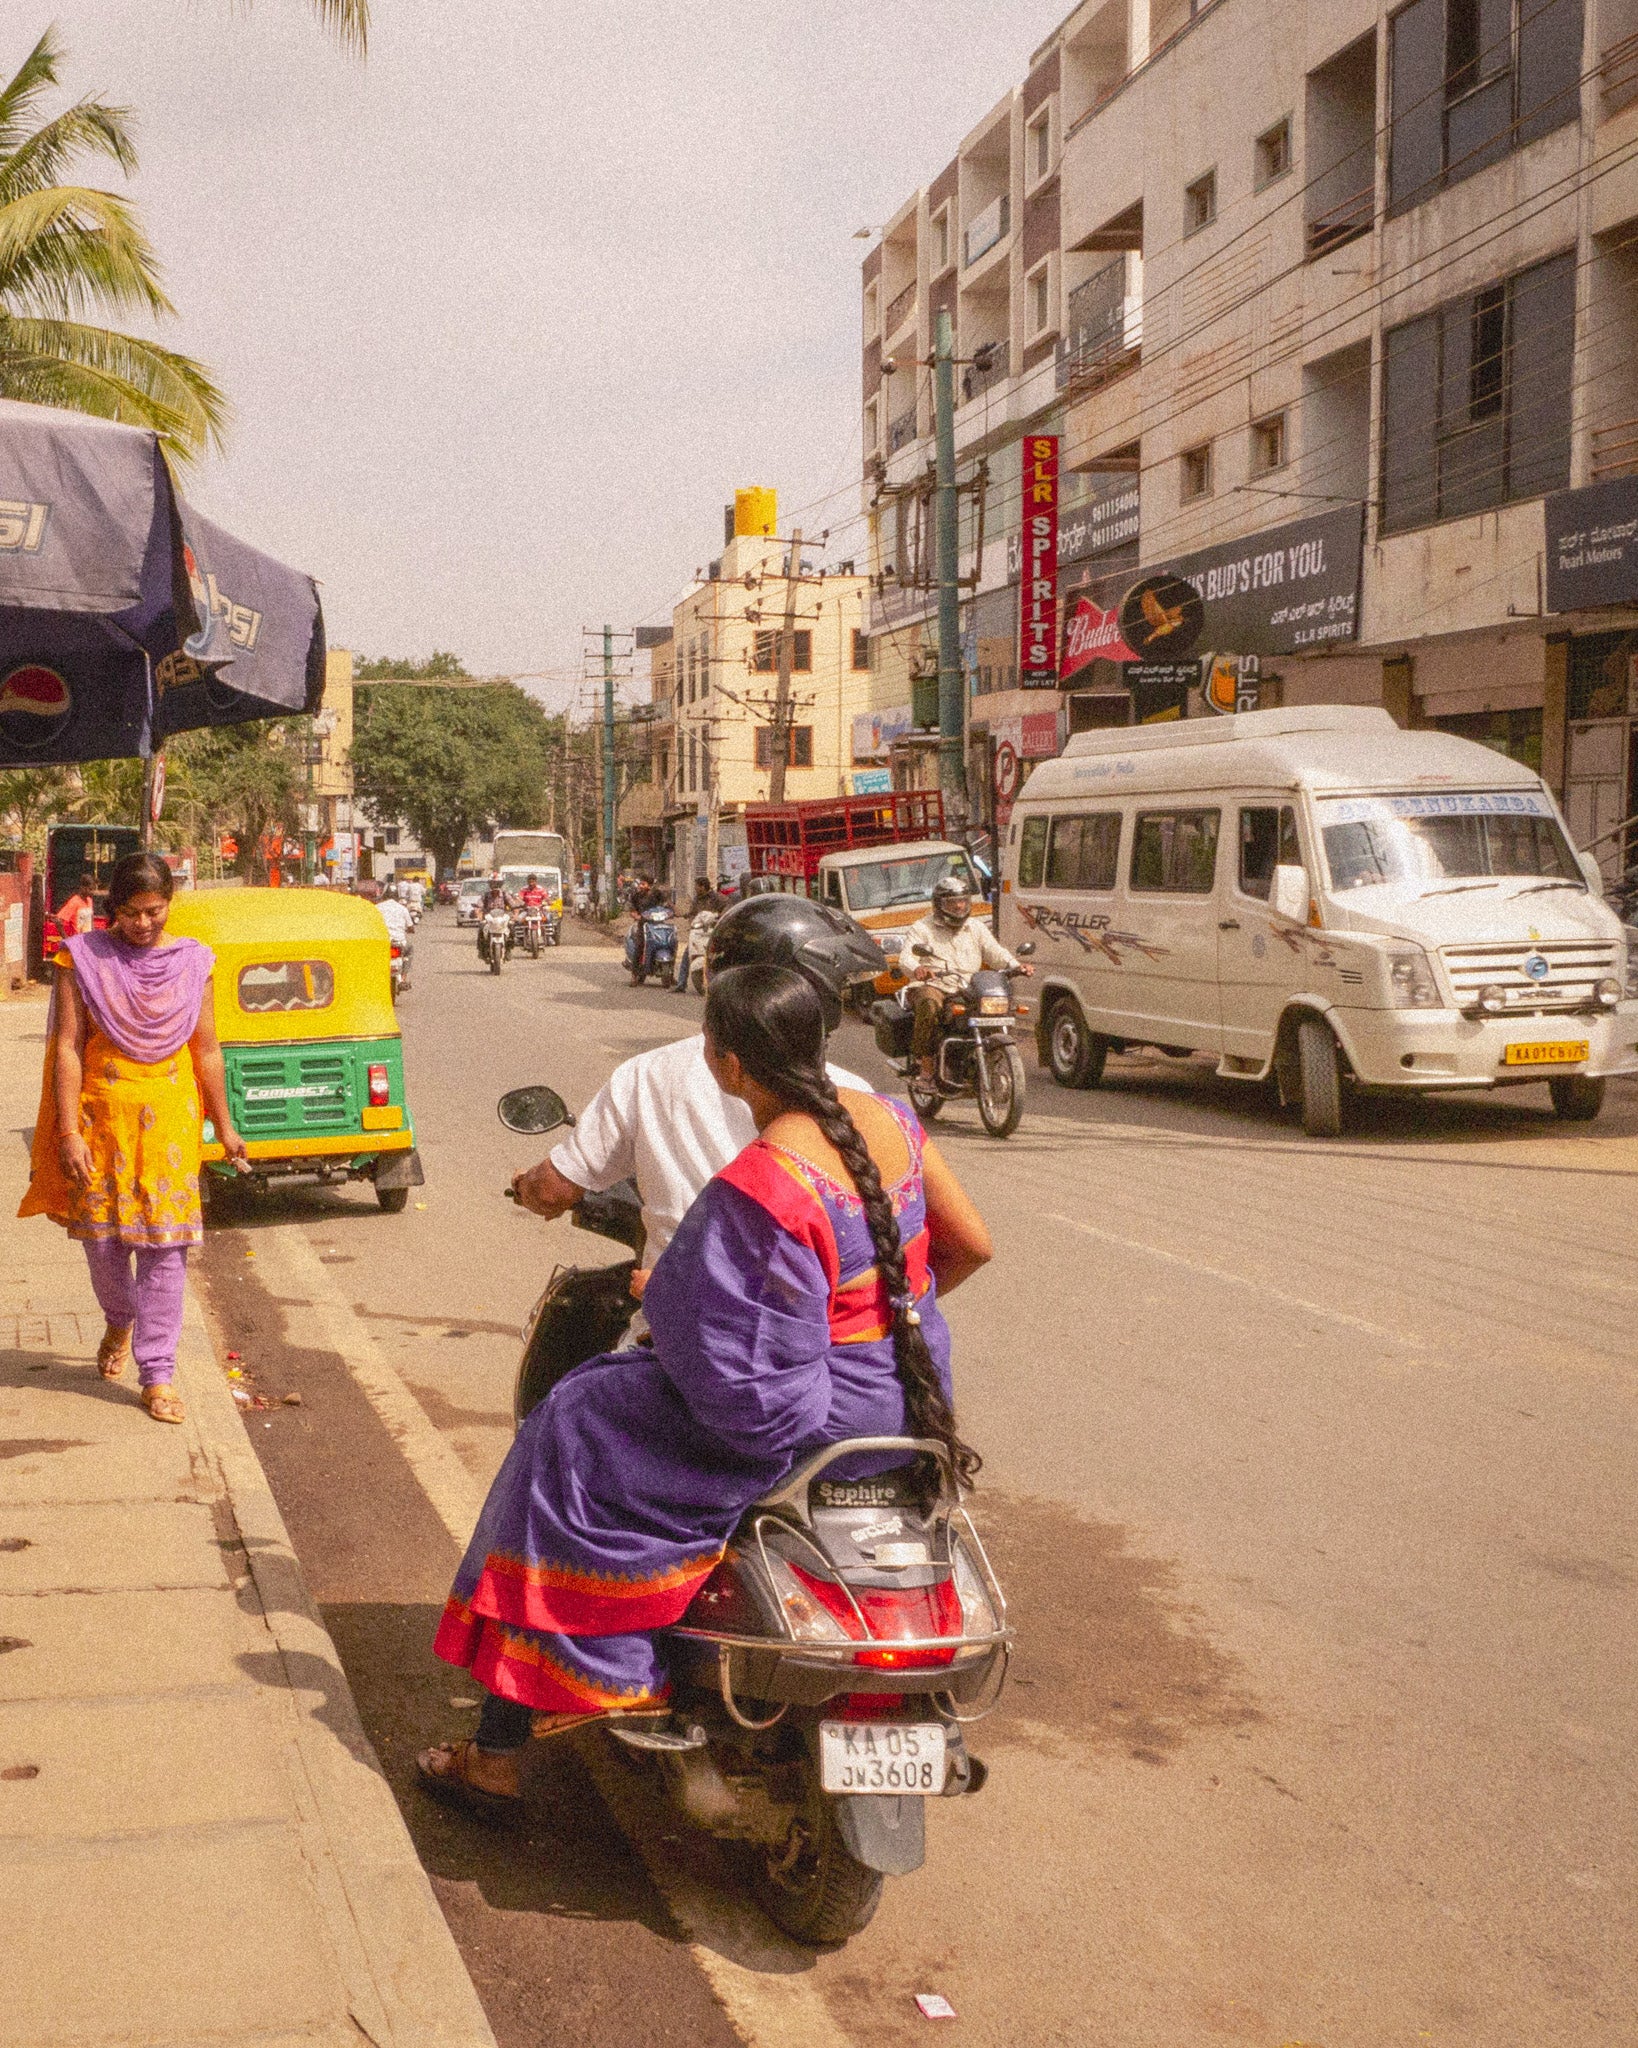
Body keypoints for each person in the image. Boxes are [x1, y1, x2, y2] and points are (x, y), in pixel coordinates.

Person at [418, 961, 993, 1806]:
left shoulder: (763, 1180)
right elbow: (969, 1246)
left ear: (727, 1064)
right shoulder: (896, 1123)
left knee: (567, 1423)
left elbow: (731, 1359)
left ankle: (540, 1722)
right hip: (899, 1393)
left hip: (794, 1417)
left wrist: (666, 1292)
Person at [510, 893, 885, 1262]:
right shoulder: (863, 1098)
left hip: (687, 1315)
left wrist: (528, 1187)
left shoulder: (653, 1075)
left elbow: (553, 1190)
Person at [18, 853, 248, 1424]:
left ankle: (158, 1375)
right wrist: (66, 1131)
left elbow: (208, 1049)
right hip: (100, 1121)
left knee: (166, 1250)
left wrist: (225, 1124)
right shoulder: (82, 958)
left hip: (170, 1118)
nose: (143, 924)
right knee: (102, 1247)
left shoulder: (194, 961)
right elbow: (68, 1046)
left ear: (170, 903)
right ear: (111, 909)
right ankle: (119, 1317)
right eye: (129, 913)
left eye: (154, 911)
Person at [898, 875, 1031, 1082]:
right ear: (939, 904)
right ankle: (925, 1064)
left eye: (963, 901)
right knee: (929, 1004)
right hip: (934, 984)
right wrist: (917, 969)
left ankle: (990, 1056)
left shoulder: (975, 927)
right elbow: (906, 957)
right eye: (952, 902)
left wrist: (1015, 965)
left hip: (969, 986)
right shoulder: (922, 928)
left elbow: (994, 951)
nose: (959, 906)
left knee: (1000, 1005)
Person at [669, 876, 725, 993]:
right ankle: (681, 984)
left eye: (696, 886)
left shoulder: (717, 898)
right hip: (699, 933)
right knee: (686, 955)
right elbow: (692, 913)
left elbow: (726, 906)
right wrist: (688, 917)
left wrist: (718, 916)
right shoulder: (696, 899)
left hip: (713, 932)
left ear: (703, 887)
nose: (695, 888)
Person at [56, 872, 97, 937]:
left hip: (88, 940)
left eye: (93, 890)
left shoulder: (89, 900)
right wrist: (67, 940)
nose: (92, 892)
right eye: (90, 889)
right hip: (78, 940)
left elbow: (91, 920)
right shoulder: (74, 902)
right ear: (83, 888)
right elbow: (58, 921)